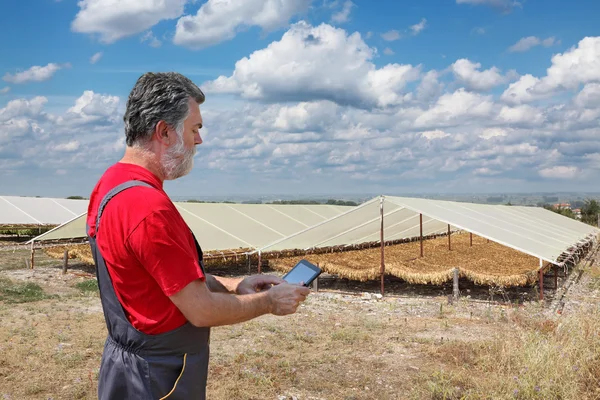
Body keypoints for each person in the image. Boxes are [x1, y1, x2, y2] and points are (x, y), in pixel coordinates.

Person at [86, 72, 311, 400]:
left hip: (129, 367)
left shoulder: (112, 184)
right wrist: (269, 302)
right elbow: (201, 310)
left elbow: (166, 280)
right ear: (164, 131)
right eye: (195, 129)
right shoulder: (148, 207)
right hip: (158, 378)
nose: (199, 141)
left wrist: (237, 287)